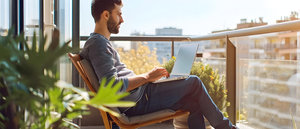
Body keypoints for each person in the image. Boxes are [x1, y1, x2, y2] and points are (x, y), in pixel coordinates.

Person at [80, 0, 237, 129]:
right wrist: (147, 77)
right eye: (119, 14)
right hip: (137, 101)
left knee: (193, 102)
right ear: (106, 15)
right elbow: (110, 86)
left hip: (139, 95)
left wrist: (148, 78)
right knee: (194, 82)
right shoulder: (99, 44)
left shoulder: (98, 42)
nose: (122, 19)